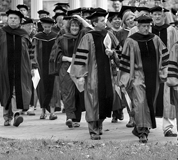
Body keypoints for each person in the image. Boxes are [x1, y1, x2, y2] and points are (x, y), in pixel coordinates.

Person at [118, 15, 169, 143]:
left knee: (149, 103)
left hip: (153, 76)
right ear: (138, 27)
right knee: (140, 103)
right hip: (137, 76)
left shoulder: (155, 39)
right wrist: (124, 80)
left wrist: (164, 72)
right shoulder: (131, 41)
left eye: (148, 26)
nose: (146, 29)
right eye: (143, 26)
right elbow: (124, 61)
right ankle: (142, 132)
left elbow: (164, 55)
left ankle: (141, 127)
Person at [70, 11, 116, 140]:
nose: (104, 22)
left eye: (104, 20)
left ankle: (99, 123)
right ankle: (93, 129)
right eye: (101, 20)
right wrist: (80, 76)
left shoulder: (109, 35)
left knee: (107, 99)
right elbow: (81, 57)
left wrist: (112, 53)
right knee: (92, 102)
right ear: (95, 23)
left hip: (107, 75)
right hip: (92, 76)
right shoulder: (88, 37)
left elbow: (119, 51)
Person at [0, 10, 33, 127]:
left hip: (20, 69)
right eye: (10, 18)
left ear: (20, 21)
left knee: (17, 90)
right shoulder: (0, 33)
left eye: (15, 18)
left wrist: (32, 66)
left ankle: (16, 114)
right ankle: (7, 117)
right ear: (7, 19)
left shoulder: (24, 34)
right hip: (3, 68)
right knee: (6, 91)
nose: (12, 20)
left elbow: (30, 53)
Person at [50, 17, 86, 128]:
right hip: (66, 67)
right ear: (69, 27)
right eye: (72, 26)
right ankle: (69, 117)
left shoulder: (83, 38)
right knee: (67, 92)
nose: (74, 28)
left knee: (78, 92)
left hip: (80, 68)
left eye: (77, 26)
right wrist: (69, 59)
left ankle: (76, 118)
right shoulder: (62, 38)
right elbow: (56, 54)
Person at [150, 6, 178, 137]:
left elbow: (176, 47)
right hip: (150, 67)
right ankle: (147, 124)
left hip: (167, 66)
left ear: (164, 16)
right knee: (150, 94)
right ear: (152, 16)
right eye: (155, 14)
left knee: (167, 96)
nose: (157, 16)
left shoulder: (171, 30)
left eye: (159, 14)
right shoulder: (147, 29)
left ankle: (167, 128)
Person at [33, 17, 60, 120]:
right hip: (41, 66)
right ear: (42, 26)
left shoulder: (56, 37)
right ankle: (43, 111)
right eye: (45, 26)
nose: (47, 28)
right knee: (42, 88)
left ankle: (52, 112)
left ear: (52, 26)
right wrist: (34, 64)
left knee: (53, 88)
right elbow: (34, 52)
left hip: (53, 66)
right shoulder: (37, 37)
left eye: (49, 26)